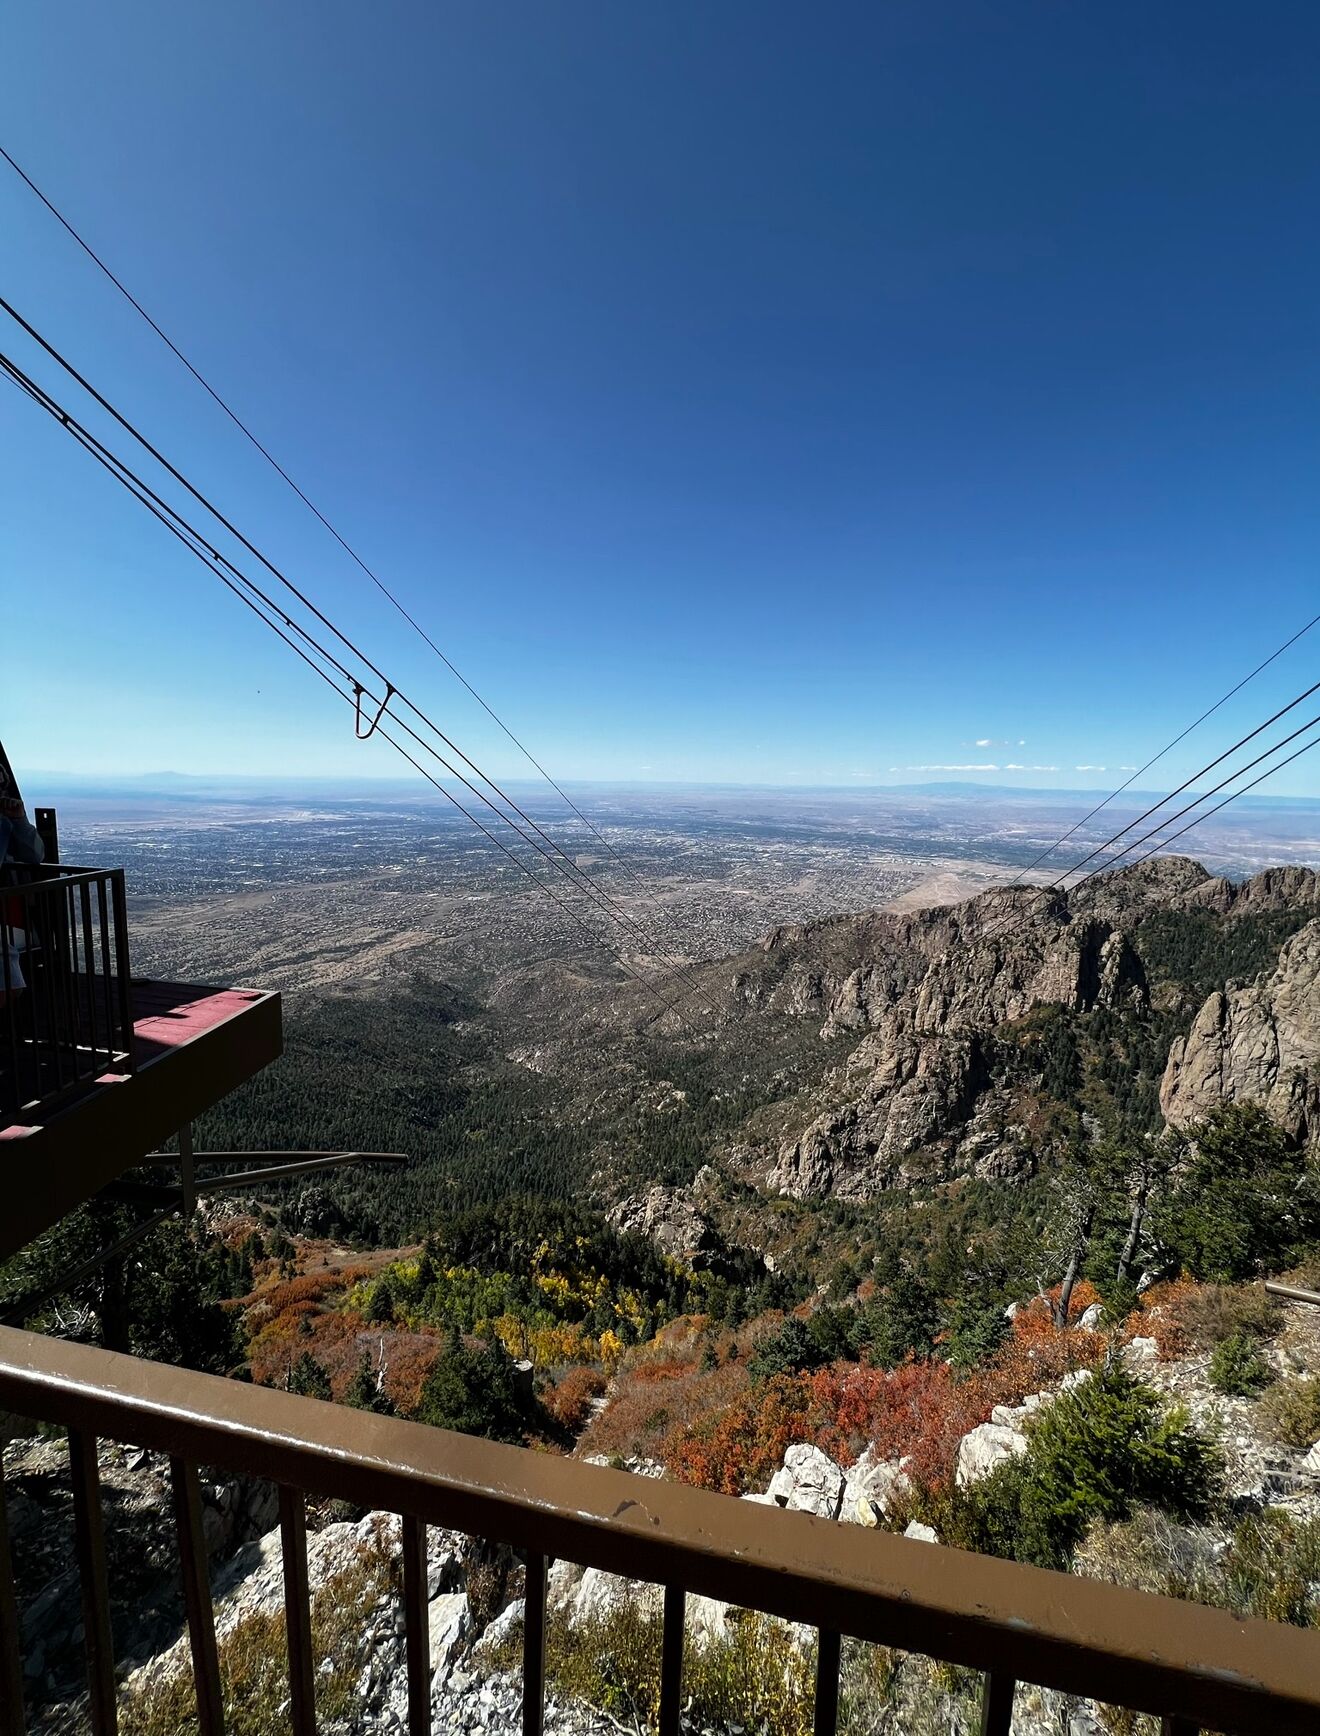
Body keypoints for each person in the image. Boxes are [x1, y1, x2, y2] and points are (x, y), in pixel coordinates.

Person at [0, 745, 44, 1005]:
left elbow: (35, 855)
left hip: (6, 912)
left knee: (11, 987)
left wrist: (18, 821)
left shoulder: (7, 823)